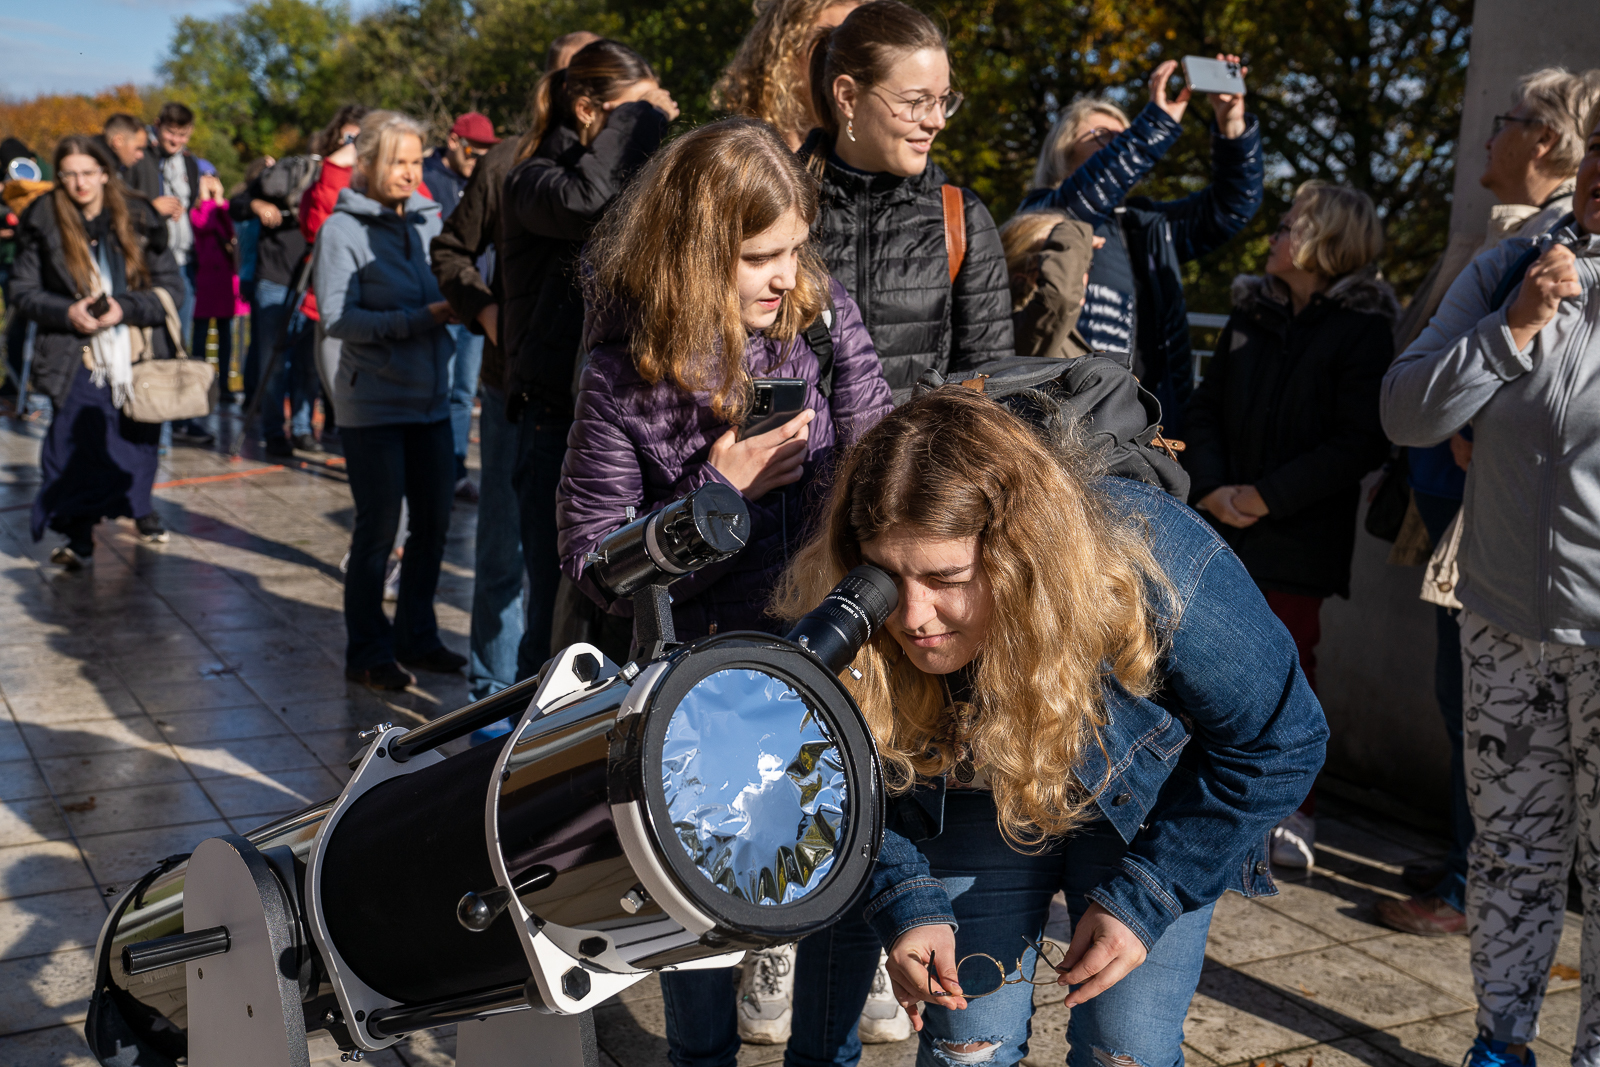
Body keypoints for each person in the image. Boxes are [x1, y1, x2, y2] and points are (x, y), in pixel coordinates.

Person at [770, 386, 1325, 1067]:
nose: (913, 617)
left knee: (1127, 1051)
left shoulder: (1155, 556)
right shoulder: (855, 609)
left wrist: (1149, 896)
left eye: (947, 577)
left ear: (1017, 554)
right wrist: (903, 894)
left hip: (1145, 806)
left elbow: (1284, 736)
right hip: (979, 791)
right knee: (966, 1048)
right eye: (887, 577)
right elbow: (822, 767)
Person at [558, 117, 894, 1067]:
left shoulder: (817, 324)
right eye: (761, 256)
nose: (790, 275)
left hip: (836, 679)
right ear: (697, 254)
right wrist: (718, 492)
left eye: (796, 247)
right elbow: (592, 563)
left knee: (833, 940)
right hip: (706, 708)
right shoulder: (624, 378)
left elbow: (882, 464)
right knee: (700, 964)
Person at [1380, 102, 1600, 1067]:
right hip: (1503, 620)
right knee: (1511, 857)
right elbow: (1405, 410)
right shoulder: (1517, 264)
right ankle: (1500, 1043)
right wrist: (1510, 333)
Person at [1182, 181, 1395, 869]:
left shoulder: (1364, 330)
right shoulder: (1253, 313)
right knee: (1197, 661)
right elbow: (1206, 406)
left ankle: (1288, 806)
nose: (1274, 234)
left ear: (1326, 239)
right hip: (1223, 520)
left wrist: (1265, 497)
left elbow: (1358, 441)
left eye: (1288, 223)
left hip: (1296, 533)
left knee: (1288, 668)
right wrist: (1215, 488)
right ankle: (1207, 796)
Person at [499, 38, 676, 694]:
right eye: (633, 112)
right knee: (553, 624)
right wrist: (646, 114)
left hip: (615, 422)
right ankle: (514, 769)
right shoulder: (532, 181)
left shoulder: (615, 177)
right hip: (551, 423)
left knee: (607, 620)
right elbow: (590, 197)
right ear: (587, 109)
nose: (652, 122)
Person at [431, 32, 602, 705]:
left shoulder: (619, 167)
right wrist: (484, 311)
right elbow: (450, 250)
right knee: (502, 549)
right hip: (516, 389)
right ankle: (491, 695)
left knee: (577, 565)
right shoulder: (508, 161)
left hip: (596, 400)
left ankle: (558, 701)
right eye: (572, 78)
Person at [1020, 59, 1262, 434]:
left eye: (1127, 135)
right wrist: (1154, 127)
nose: (1123, 144)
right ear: (1064, 151)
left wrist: (1231, 122)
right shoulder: (1042, 214)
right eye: (1104, 135)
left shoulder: (1144, 228)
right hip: (1062, 422)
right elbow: (1082, 198)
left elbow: (1230, 207)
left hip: (1144, 427)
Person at [314, 110, 465, 691]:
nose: (409, 172)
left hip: (431, 401)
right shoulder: (341, 231)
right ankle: (367, 652)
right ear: (370, 163)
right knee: (379, 531)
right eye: (397, 161)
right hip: (372, 404)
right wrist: (417, 320)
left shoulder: (430, 219)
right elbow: (336, 318)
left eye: (415, 160)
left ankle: (416, 637)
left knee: (434, 523)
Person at [799, 0, 1012, 394]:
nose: (937, 120)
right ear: (847, 96)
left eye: (944, 99)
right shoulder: (776, 208)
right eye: (917, 101)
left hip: (921, 456)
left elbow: (990, 392)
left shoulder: (960, 219)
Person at [14, 136, 183, 566]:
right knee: (71, 449)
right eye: (69, 173)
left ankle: (140, 510)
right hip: (74, 355)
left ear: (106, 173)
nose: (79, 183)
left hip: (133, 356)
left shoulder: (140, 217)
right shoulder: (44, 219)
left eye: (88, 172)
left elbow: (171, 289)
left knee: (134, 445)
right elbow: (22, 291)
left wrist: (123, 308)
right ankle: (78, 536)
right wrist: (68, 311)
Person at [423, 111, 502, 501]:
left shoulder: (485, 178)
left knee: (461, 393)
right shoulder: (423, 177)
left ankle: (453, 473)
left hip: (477, 305)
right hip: (437, 302)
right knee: (433, 390)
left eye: (487, 154)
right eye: (473, 152)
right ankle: (426, 476)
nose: (477, 162)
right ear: (453, 142)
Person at [713, 0, 862, 150]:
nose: (846, 59)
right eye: (830, 42)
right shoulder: (737, 160)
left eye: (857, 46)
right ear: (784, 52)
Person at [1000, 209, 1099, 360]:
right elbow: (1060, 296)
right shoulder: (1022, 329)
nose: (1082, 274)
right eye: (1066, 262)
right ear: (1026, 271)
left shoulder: (1059, 331)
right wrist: (1072, 232)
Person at [188, 172, 238, 401]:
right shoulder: (196, 209)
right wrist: (206, 199)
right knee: (200, 335)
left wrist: (219, 200)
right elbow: (201, 225)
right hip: (204, 279)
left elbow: (231, 230)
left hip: (223, 279)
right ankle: (199, 383)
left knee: (225, 334)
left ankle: (225, 385)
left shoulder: (221, 207)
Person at [97, 114, 148, 186]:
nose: (141, 155)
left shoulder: (121, 167)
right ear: (118, 141)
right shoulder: (93, 170)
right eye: (138, 148)